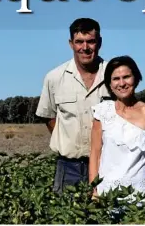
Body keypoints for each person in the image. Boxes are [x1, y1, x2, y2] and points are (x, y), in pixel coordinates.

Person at [35, 18, 110, 194]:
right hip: (69, 167)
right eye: (79, 42)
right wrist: (68, 140)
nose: (85, 47)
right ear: (71, 44)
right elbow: (49, 117)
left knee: (107, 217)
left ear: (99, 42)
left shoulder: (114, 75)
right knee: (66, 217)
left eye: (91, 41)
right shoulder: (54, 78)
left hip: (107, 163)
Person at [89, 56, 145, 207]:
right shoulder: (102, 112)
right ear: (109, 84)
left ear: (136, 79)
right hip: (107, 196)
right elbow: (95, 154)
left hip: (140, 195)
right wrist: (94, 190)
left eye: (126, 77)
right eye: (116, 78)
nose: (122, 83)